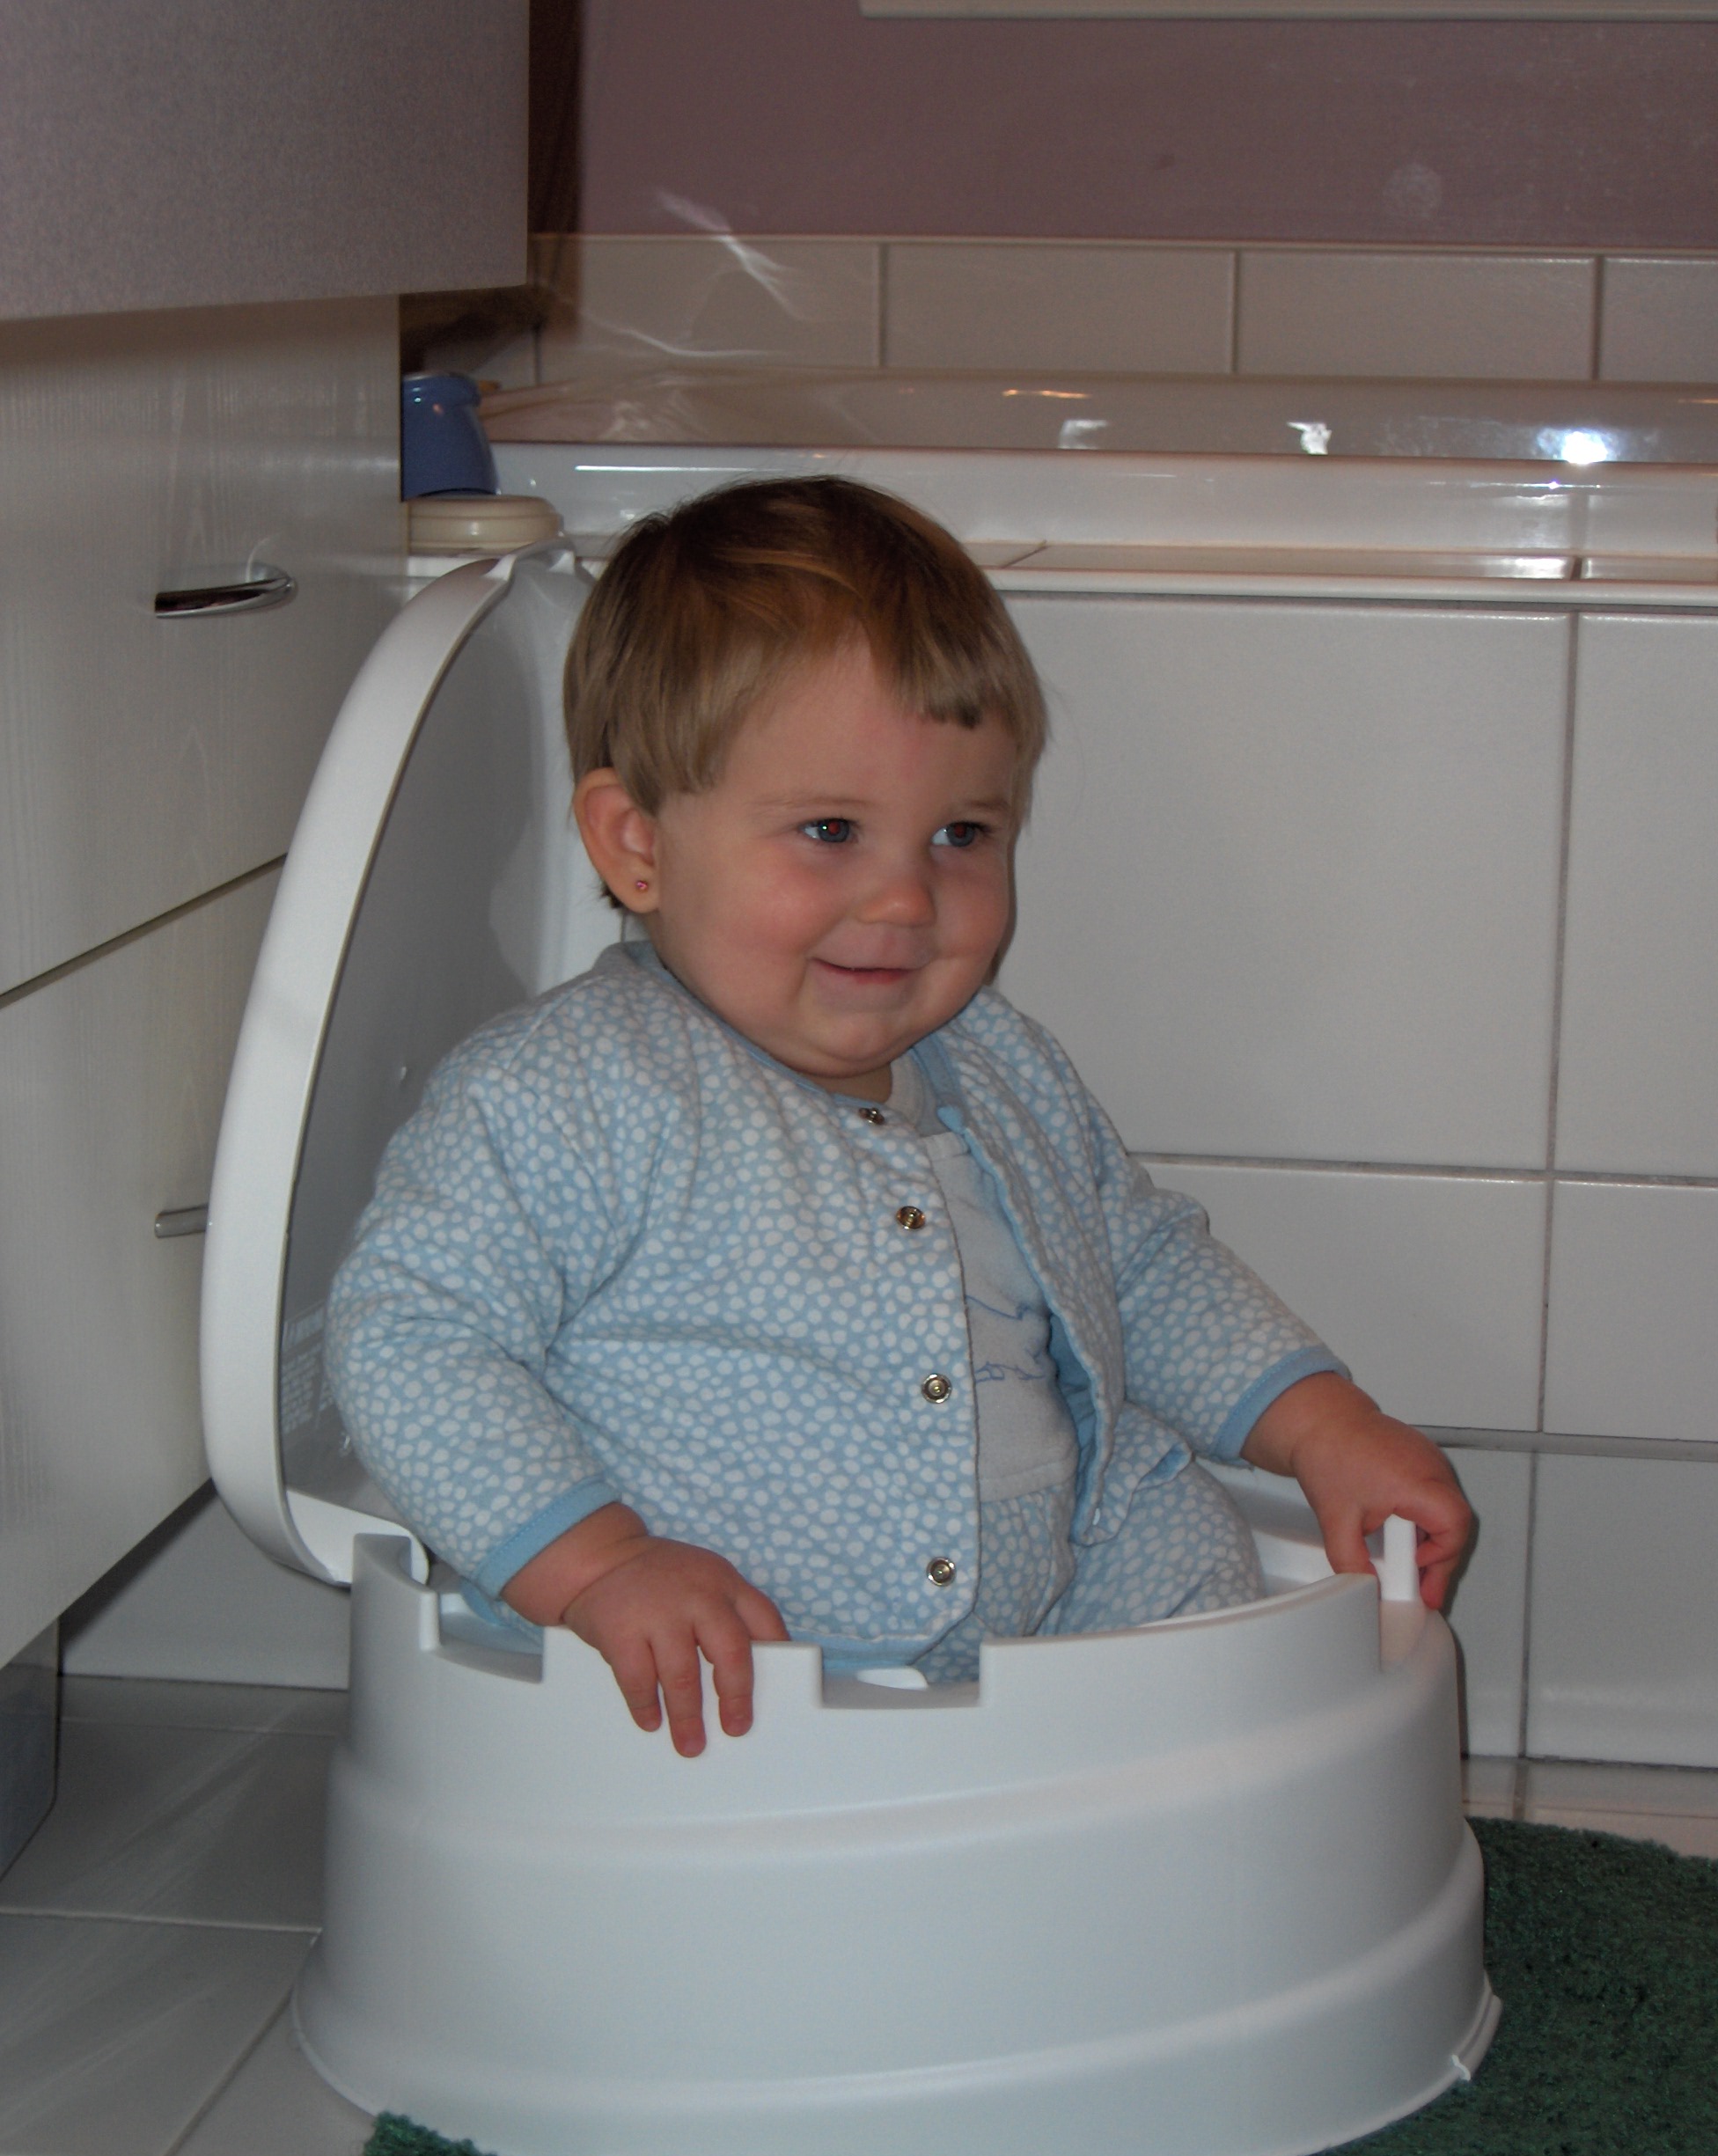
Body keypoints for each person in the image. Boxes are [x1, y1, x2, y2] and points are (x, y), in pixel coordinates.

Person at [326, 475, 1471, 1758]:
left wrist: (1323, 1428)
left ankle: (1199, 1806)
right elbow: (412, 1335)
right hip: (733, 1664)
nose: (907, 899)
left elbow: (1137, 1263)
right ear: (636, 844)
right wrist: (599, 1566)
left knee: (1229, 1614)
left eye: (961, 834)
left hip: (1064, 1583)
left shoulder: (1000, 1061)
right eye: (830, 829)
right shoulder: (573, 1092)